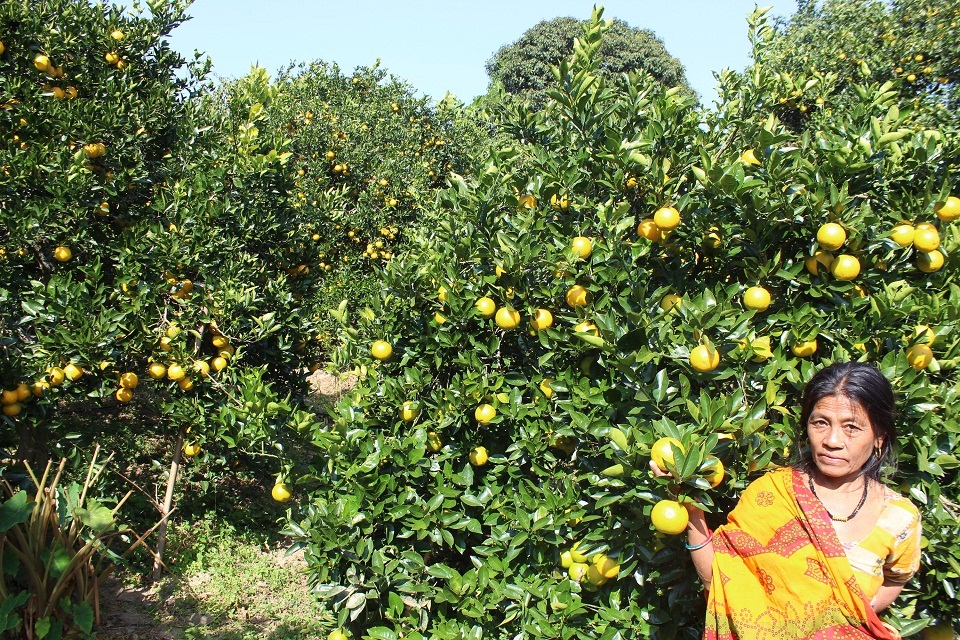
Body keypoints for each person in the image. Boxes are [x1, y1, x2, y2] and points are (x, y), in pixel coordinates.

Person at [654, 362, 922, 639]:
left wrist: (859, 613)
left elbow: (897, 577)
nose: (832, 440)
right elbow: (719, 579)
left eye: (851, 427)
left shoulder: (900, 517)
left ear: (879, 437)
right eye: (820, 423)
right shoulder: (772, 494)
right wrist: (691, 507)